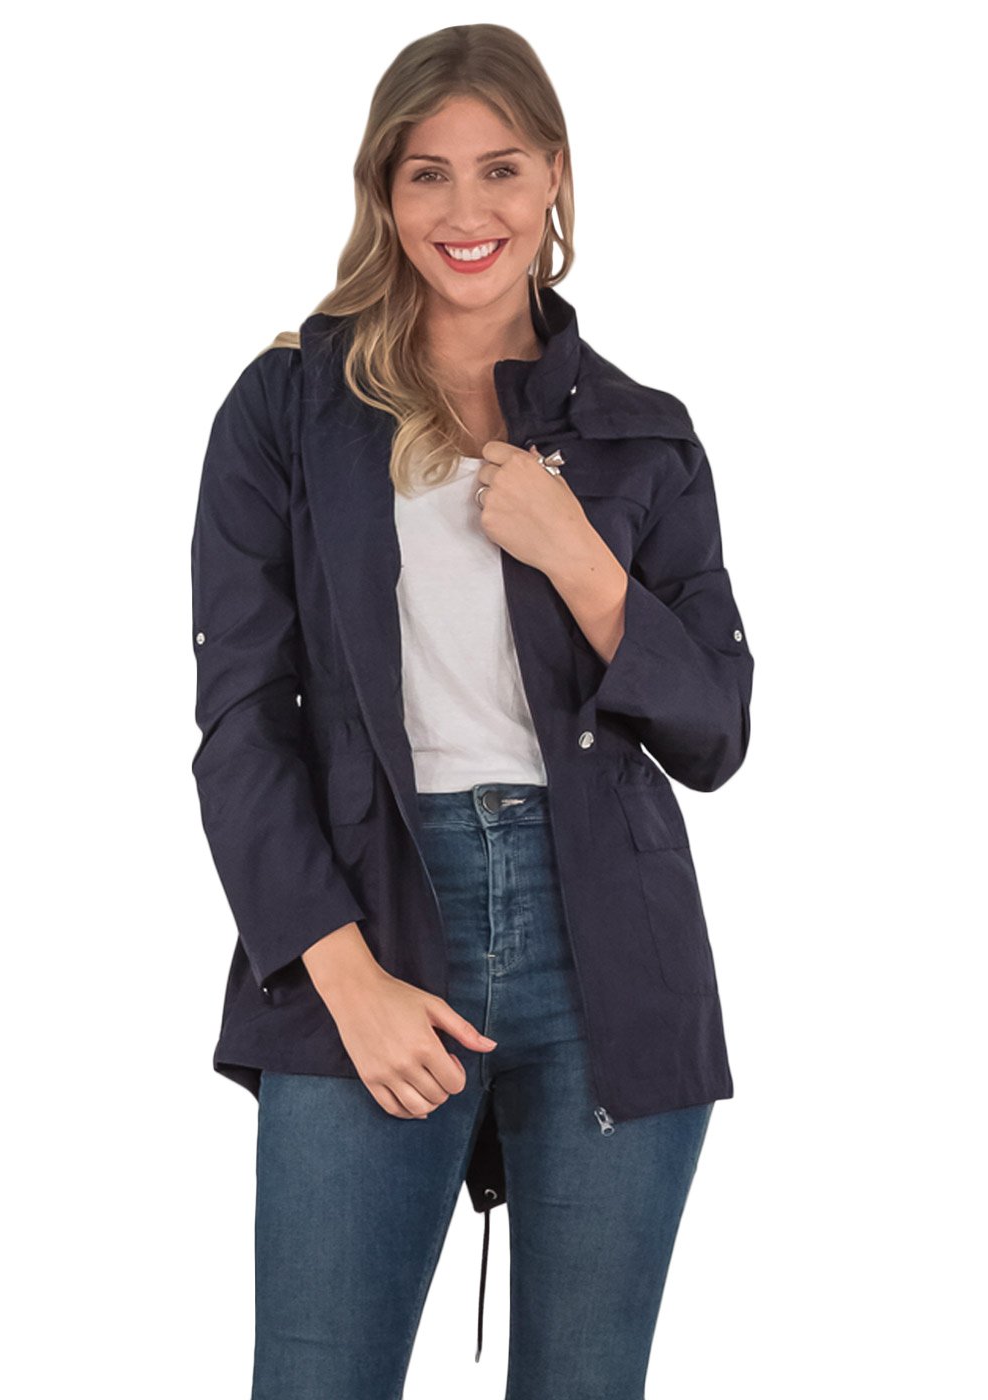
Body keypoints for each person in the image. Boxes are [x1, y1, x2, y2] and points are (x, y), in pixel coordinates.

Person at [190, 23, 754, 1400]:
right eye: (426, 174)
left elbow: (715, 731)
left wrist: (581, 561)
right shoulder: (288, 406)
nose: (466, 210)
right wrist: (343, 978)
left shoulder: (641, 429)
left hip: (610, 951)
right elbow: (243, 722)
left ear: (554, 174)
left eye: (500, 168)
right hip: (369, 919)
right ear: (383, 191)